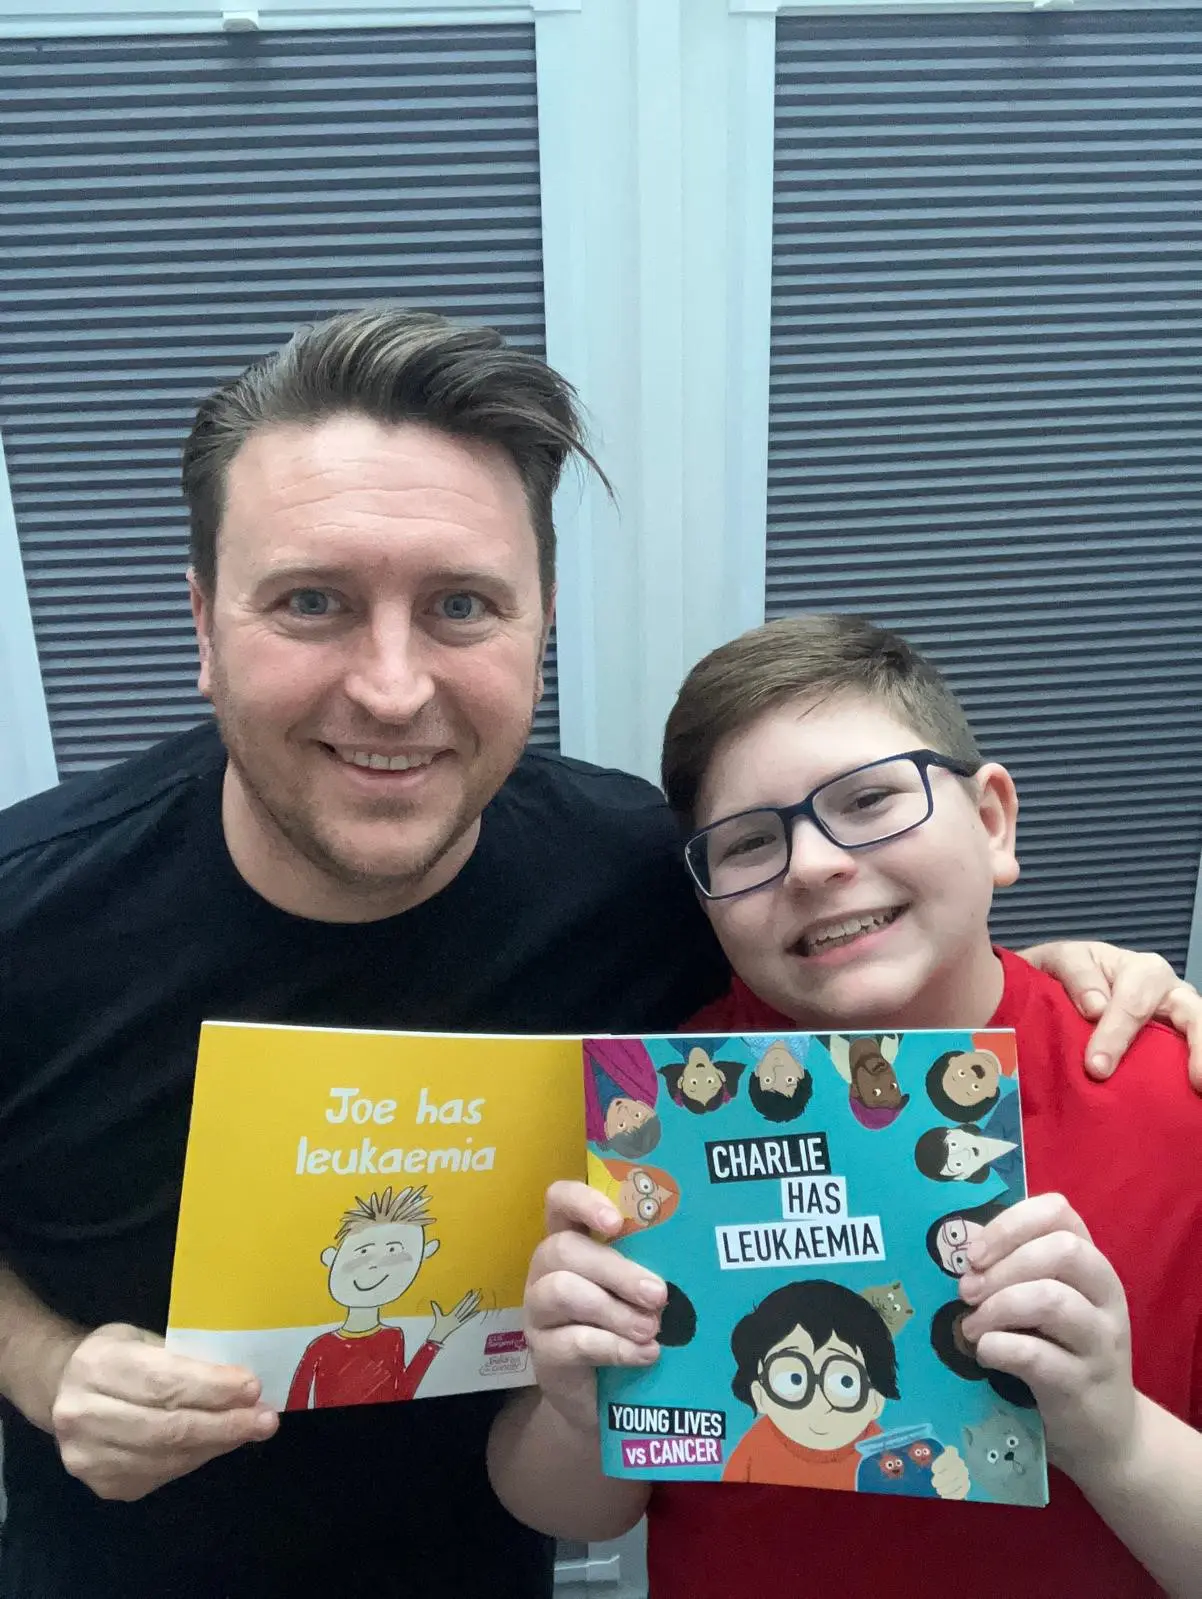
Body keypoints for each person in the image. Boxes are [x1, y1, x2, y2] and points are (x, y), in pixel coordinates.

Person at [0, 311, 1194, 1599]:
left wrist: (1076, 975)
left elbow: (860, 938)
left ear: (540, 625)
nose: (393, 688)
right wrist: (44, 1364)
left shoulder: (641, 877)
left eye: (461, 604)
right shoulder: (28, 908)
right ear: (201, 623)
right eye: (311, 603)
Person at [492, 613, 1202, 1598]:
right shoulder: (647, 1116)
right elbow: (576, 1509)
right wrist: (577, 1409)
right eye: (746, 844)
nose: (817, 864)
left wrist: (1115, 1439)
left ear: (991, 821)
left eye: (870, 801)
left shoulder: (1171, 1100)